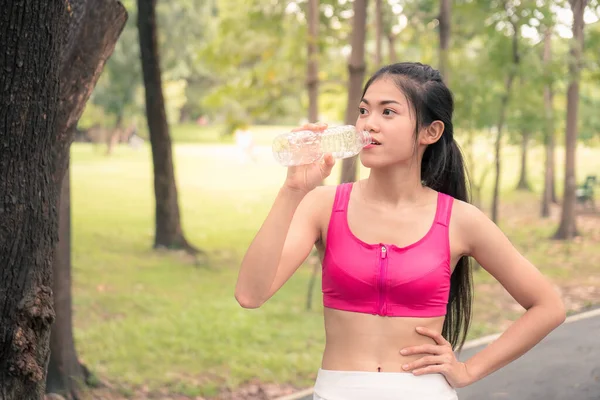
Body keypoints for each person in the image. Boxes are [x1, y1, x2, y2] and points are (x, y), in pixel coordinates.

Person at [234, 62, 566, 400]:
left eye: (387, 112)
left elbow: (548, 306)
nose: (368, 124)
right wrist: (292, 190)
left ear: (430, 132)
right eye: (364, 110)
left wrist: (468, 370)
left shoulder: (460, 220)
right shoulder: (323, 205)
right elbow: (250, 295)